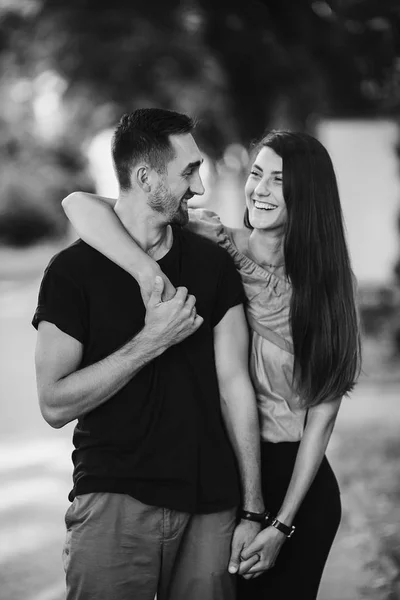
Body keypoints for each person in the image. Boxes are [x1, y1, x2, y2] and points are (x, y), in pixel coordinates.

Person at [63, 128, 361, 599]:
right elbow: (80, 204)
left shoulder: (328, 292)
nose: (259, 190)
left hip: (295, 486)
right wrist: (144, 271)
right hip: (225, 476)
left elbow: (321, 421)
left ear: (309, 194)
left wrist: (281, 525)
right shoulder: (212, 240)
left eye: (278, 180)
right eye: (256, 173)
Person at [33, 108, 266, 600]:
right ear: (145, 177)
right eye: (188, 172)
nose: (199, 188)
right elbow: (54, 403)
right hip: (114, 498)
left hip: (211, 503)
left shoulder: (210, 263)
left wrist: (251, 507)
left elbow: (234, 386)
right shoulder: (72, 273)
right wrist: (150, 342)